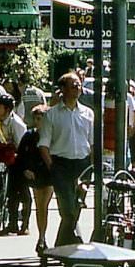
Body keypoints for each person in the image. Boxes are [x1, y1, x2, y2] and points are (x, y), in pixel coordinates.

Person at [39, 72, 94, 247]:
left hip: (83, 164)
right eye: (73, 85)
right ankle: (69, 241)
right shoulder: (52, 115)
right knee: (67, 207)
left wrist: (92, 164)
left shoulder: (88, 113)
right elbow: (43, 144)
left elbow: (92, 143)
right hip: (61, 165)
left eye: (78, 85)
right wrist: (52, 167)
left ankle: (62, 243)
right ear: (63, 89)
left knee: (77, 205)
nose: (77, 88)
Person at [0, 94, 29, 235]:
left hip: (18, 159)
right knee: (8, 192)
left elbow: (22, 146)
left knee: (20, 191)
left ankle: (24, 223)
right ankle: (11, 222)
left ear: (8, 109)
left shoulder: (17, 124)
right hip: (1, 157)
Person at [16, 105, 53, 252]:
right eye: (37, 119)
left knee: (44, 205)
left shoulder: (52, 135)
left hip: (49, 174)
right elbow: (21, 155)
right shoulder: (29, 135)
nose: (39, 122)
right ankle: (42, 237)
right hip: (35, 174)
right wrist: (25, 169)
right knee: (40, 206)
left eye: (42, 119)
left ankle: (42, 237)